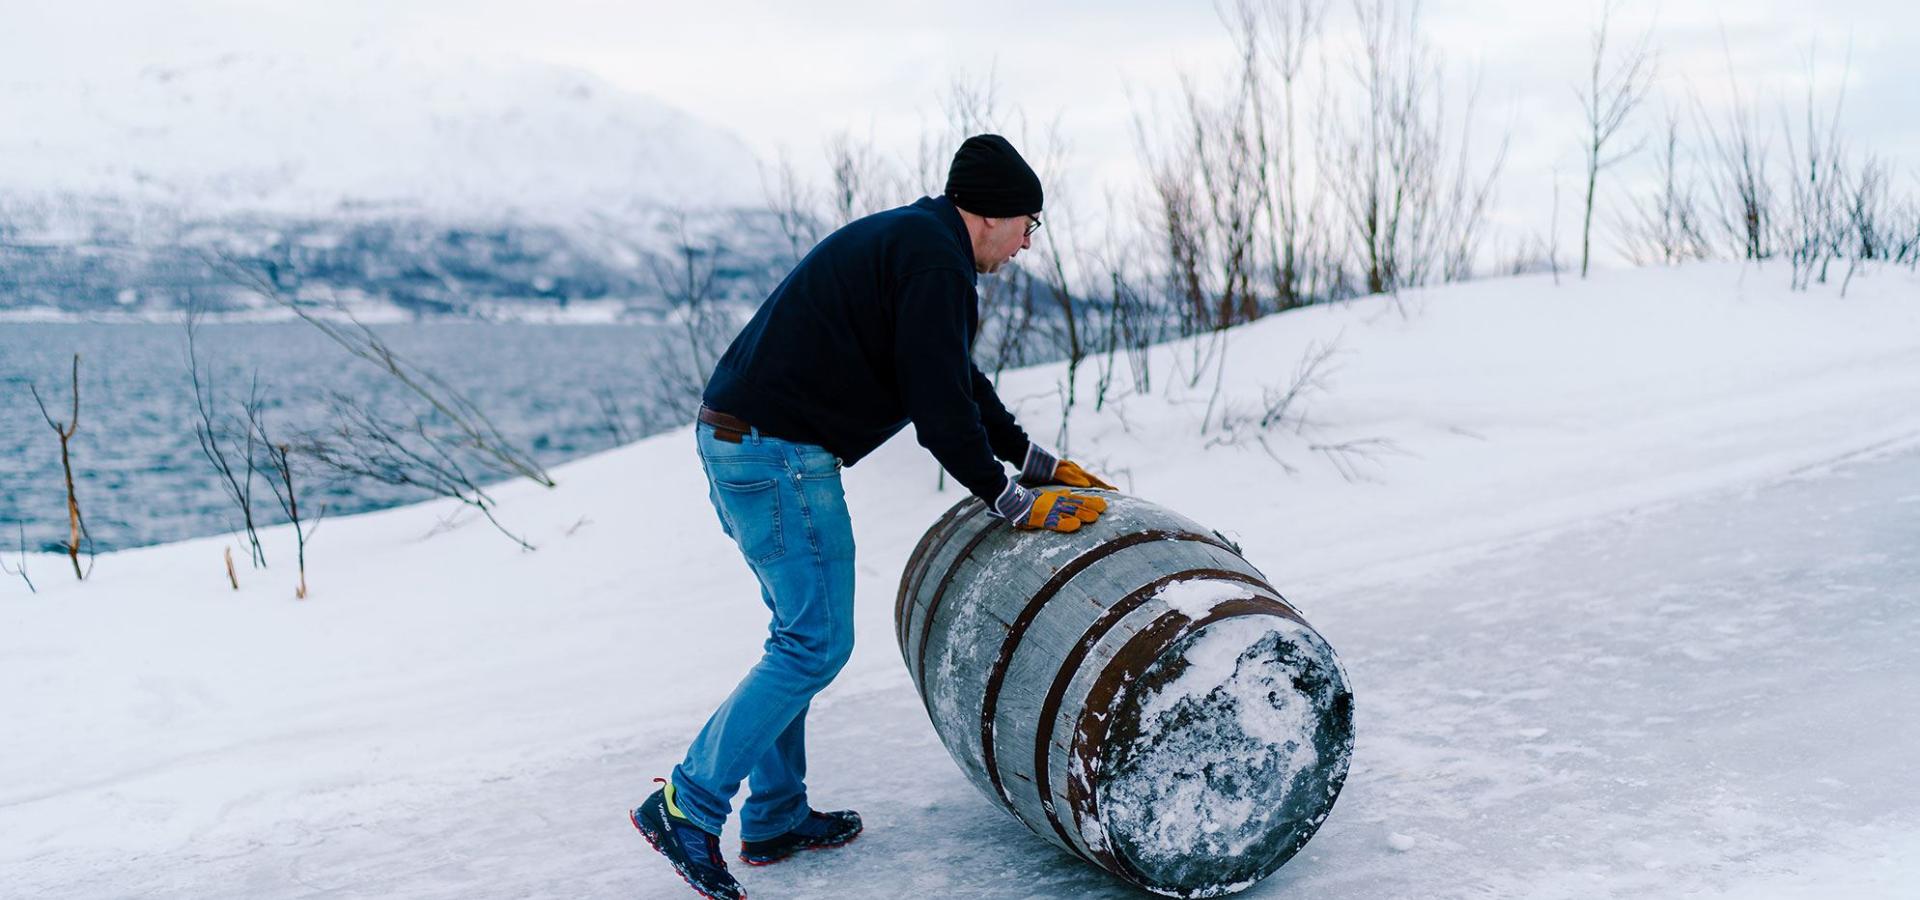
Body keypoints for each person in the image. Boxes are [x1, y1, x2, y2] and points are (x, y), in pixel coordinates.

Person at [630, 134, 1116, 900]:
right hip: (777, 453)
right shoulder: (933, 260)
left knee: (797, 636)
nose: (1029, 241)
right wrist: (1011, 500)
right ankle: (686, 805)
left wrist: (1032, 461)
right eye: (1030, 222)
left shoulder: (921, 245)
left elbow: (953, 376)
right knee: (815, 644)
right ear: (990, 213)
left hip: (745, 442)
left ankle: (776, 818)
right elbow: (938, 414)